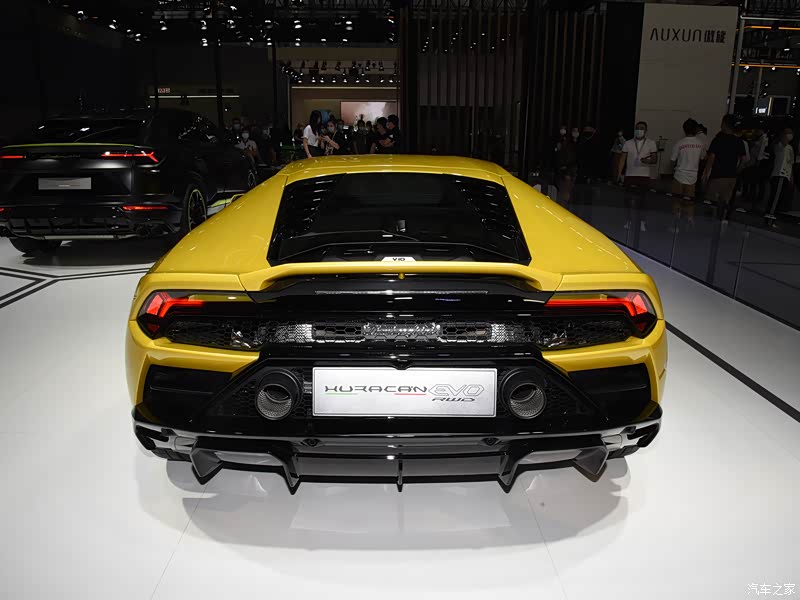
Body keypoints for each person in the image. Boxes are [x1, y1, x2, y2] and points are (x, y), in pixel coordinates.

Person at [701, 114, 746, 222]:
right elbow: (743, 159)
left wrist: (705, 174)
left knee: (712, 202)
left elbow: (711, 158)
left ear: (725, 124)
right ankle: (722, 223)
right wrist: (737, 171)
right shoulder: (739, 141)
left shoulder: (718, 140)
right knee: (725, 202)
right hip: (731, 177)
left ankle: (712, 223)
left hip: (718, 176)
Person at [616, 121, 658, 232]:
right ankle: (628, 221)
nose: (639, 130)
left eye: (642, 128)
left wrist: (646, 160)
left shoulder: (651, 143)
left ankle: (642, 222)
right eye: (637, 128)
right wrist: (619, 173)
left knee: (643, 200)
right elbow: (622, 159)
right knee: (627, 199)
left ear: (646, 130)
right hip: (630, 175)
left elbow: (654, 159)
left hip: (644, 175)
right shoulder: (628, 143)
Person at [670, 118, 705, 227]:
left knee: (677, 201)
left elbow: (672, 160)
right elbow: (702, 158)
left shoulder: (680, 143)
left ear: (684, 129)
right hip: (692, 177)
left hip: (679, 175)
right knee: (690, 202)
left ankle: (675, 225)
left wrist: (673, 170)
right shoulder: (700, 144)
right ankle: (690, 221)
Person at [765, 128, 795, 217]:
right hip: (779, 174)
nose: (790, 135)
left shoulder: (790, 148)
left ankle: (773, 213)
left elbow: (790, 163)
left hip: (785, 175)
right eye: (788, 133)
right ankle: (770, 214)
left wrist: (791, 176)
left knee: (779, 196)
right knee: (775, 195)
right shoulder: (779, 145)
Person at [553, 126, 578, 206]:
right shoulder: (560, 143)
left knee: (566, 190)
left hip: (568, 169)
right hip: (564, 170)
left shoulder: (571, 145)